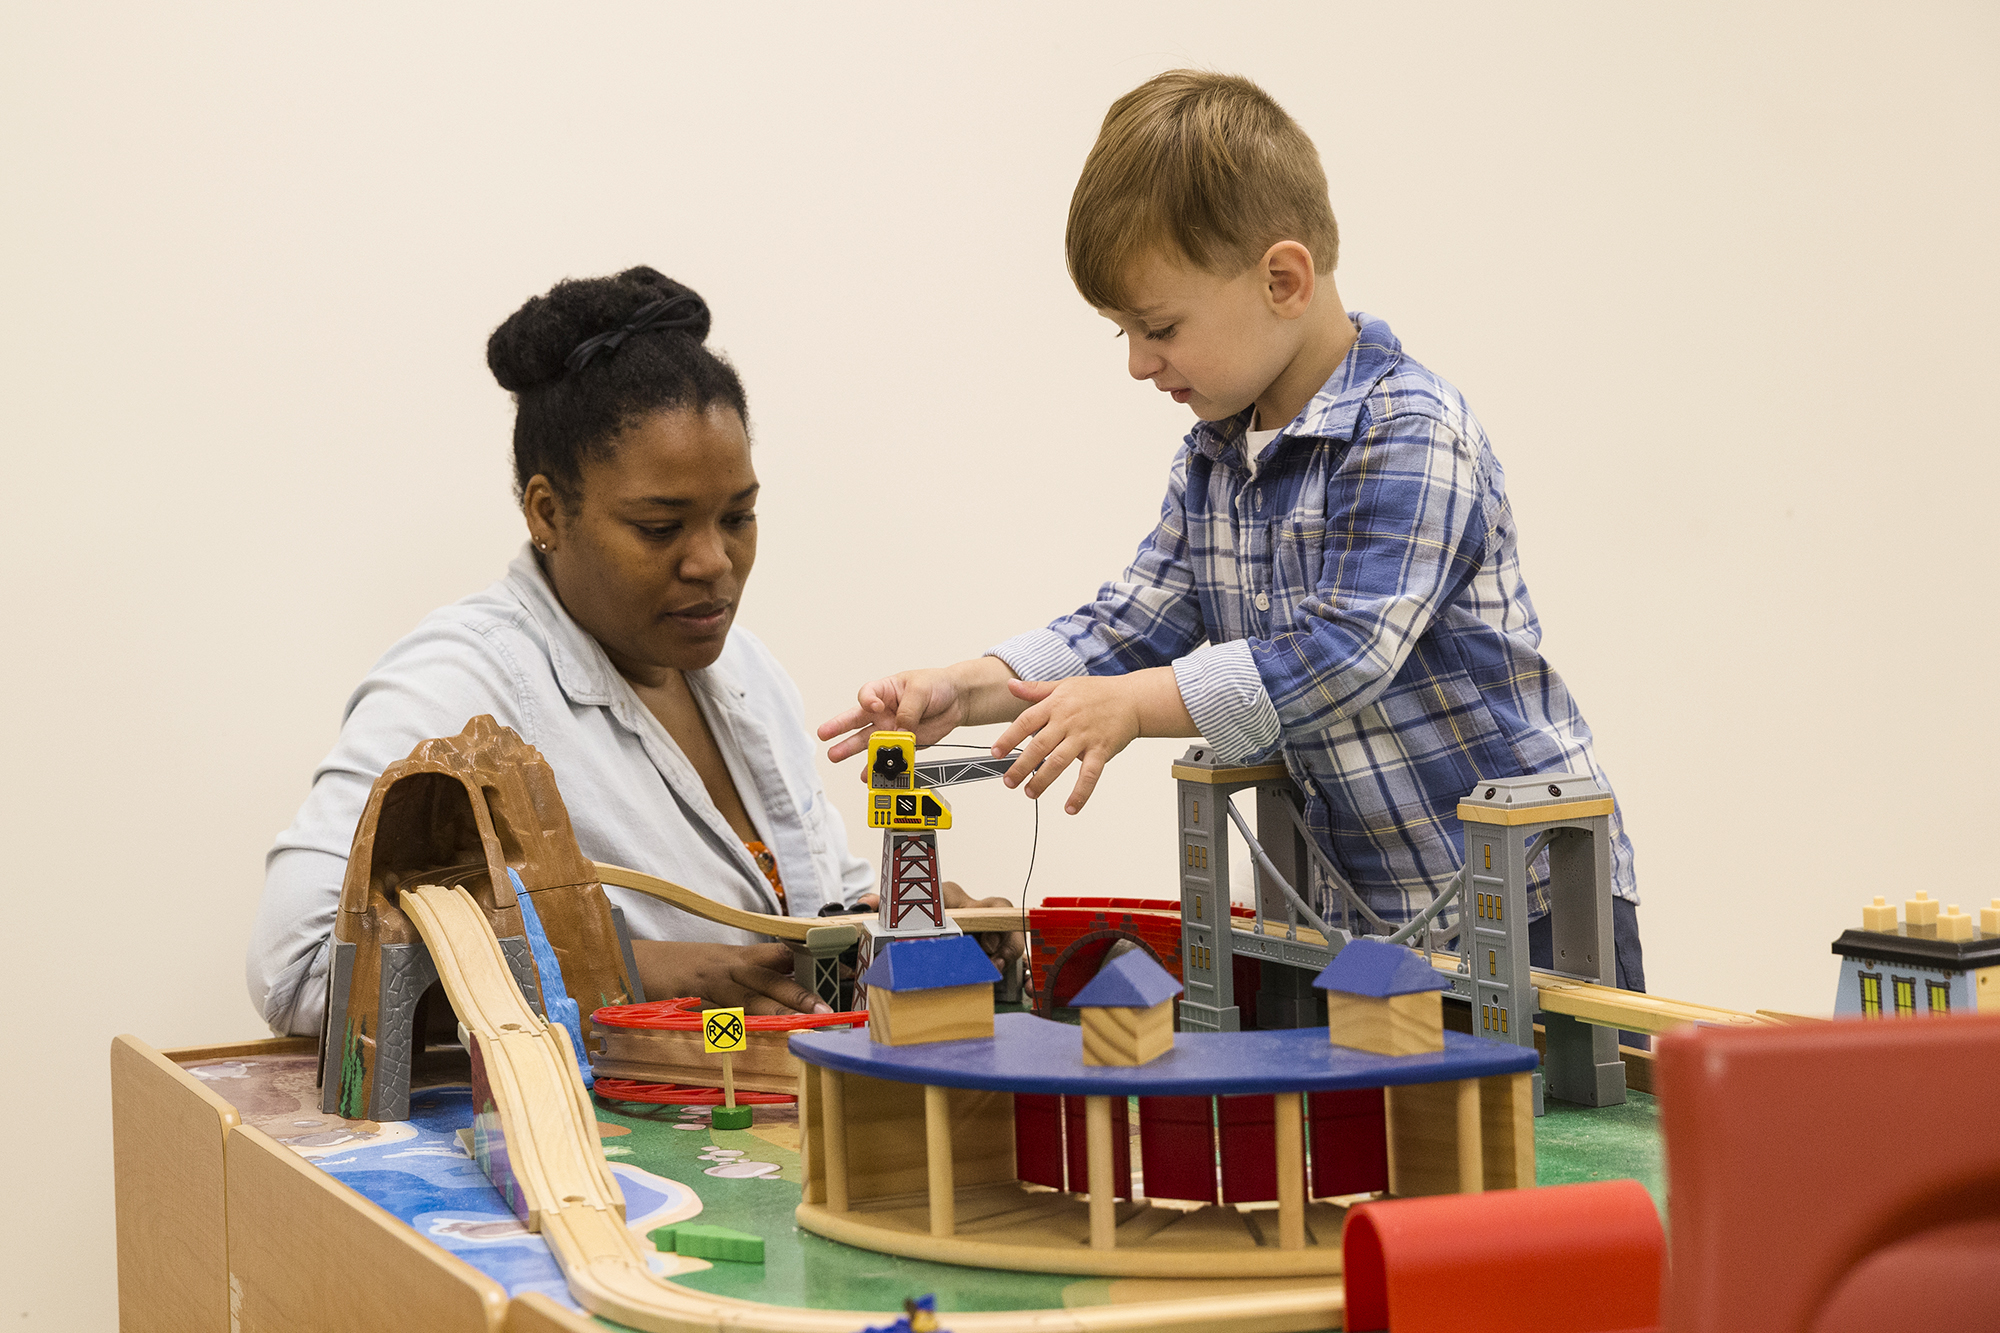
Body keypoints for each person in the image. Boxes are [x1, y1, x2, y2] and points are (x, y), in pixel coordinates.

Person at [819, 72, 1644, 995]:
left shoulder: (1412, 429)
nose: (1139, 363)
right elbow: (1127, 624)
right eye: (1122, 334)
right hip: (1355, 919)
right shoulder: (1214, 459)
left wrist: (1135, 704)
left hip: (1522, 905)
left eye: (1159, 326)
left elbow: (1344, 651)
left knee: (1550, 1135)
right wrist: (968, 687)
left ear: (1282, 280)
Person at [250, 266, 1014, 1038]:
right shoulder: (464, 677)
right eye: (659, 527)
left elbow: (802, 905)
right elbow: (300, 964)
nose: (713, 561)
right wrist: (646, 971)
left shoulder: (746, 672)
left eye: (739, 516)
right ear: (548, 510)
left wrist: (903, 921)